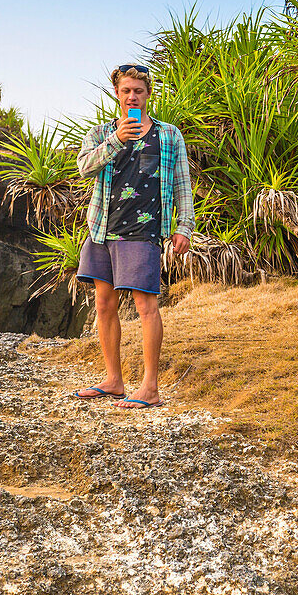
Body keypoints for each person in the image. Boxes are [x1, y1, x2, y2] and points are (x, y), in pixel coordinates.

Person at [71, 64, 194, 409]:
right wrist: (117, 140)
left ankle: (150, 388)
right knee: (104, 304)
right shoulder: (100, 134)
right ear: (117, 94)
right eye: (126, 91)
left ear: (148, 93)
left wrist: (184, 227)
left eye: (138, 90)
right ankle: (113, 381)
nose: (132, 96)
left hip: (143, 231)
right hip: (101, 229)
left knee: (146, 306)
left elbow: (182, 183)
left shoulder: (169, 135)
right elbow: (85, 168)